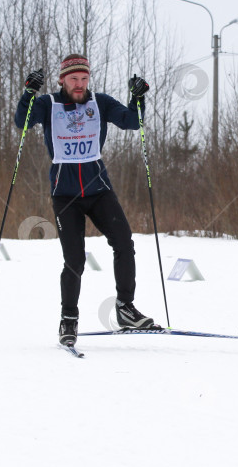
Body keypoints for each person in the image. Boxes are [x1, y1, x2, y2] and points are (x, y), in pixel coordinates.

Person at [14, 53, 155, 347]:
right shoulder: (48, 104)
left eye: (84, 79)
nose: (79, 85)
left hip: (98, 189)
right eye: (73, 79)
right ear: (62, 80)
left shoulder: (100, 103)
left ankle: (125, 308)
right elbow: (22, 122)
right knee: (75, 259)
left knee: (124, 243)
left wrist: (137, 96)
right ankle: (69, 320)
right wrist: (28, 92)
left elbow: (132, 122)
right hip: (65, 194)